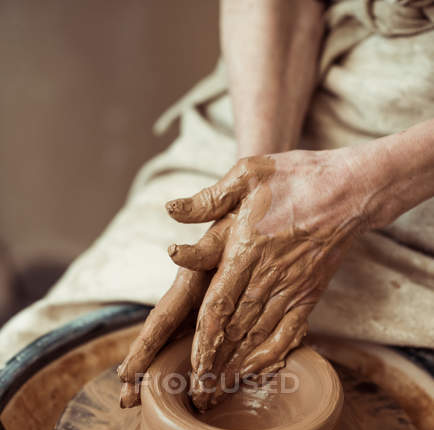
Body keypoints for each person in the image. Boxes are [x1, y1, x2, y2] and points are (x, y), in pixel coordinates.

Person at [1, 0, 433, 409]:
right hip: (280, 95)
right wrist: (256, 197)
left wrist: (354, 193)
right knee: (23, 353)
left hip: (417, 149)